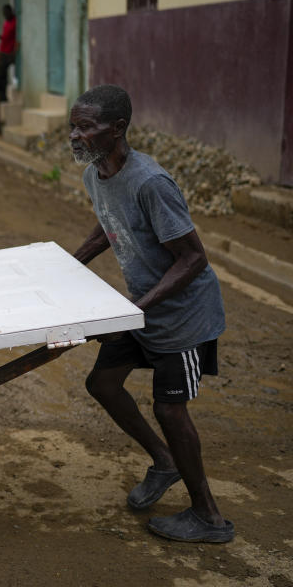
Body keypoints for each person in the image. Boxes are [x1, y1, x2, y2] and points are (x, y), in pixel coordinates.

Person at [70, 84, 234, 544]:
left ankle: (209, 518)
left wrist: (131, 310)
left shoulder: (150, 182)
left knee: (169, 407)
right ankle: (164, 463)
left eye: (86, 127)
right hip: (143, 307)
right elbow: (110, 227)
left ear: (117, 128)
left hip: (183, 318)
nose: (75, 136)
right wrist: (67, 266)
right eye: (73, 126)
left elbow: (192, 258)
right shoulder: (94, 176)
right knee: (102, 383)